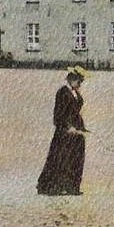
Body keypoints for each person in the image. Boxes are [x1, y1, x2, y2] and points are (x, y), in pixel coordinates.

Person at [37, 67, 89, 196]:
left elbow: (76, 111)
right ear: (72, 79)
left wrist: (80, 127)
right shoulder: (62, 92)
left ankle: (72, 187)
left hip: (77, 133)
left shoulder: (75, 92)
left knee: (76, 159)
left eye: (81, 82)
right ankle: (53, 187)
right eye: (79, 81)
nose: (80, 84)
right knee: (60, 159)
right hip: (64, 133)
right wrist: (67, 127)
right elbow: (58, 114)